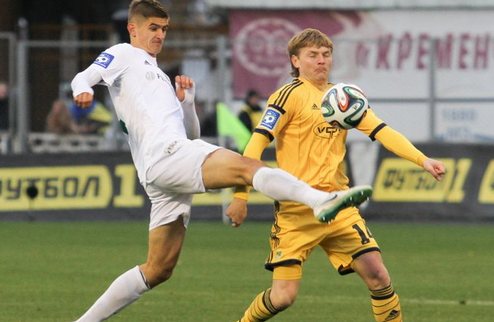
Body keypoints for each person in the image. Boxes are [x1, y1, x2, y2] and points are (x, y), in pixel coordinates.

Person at [70, 2, 372, 321]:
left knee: (158, 269)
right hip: (165, 155)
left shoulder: (158, 76)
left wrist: (188, 104)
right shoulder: (124, 54)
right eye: (153, 29)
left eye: (164, 29)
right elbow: (83, 77)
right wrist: (83, 92)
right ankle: (319, 199)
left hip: (163, 169)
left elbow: (191, 133)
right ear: (133, 29)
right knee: (248, 166)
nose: (159, 35)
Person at [226, 28, 446, 322]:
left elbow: (383, 131)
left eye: (326, 54)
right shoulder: (287, 95)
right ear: (295, 60)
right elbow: (257, 141)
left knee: (379, 276)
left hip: (339, 203)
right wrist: (240, 195)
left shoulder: (343, 98)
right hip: (296, 209)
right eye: (312, 55)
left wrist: (423, 160)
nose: (321, 61)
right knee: (283, 296)